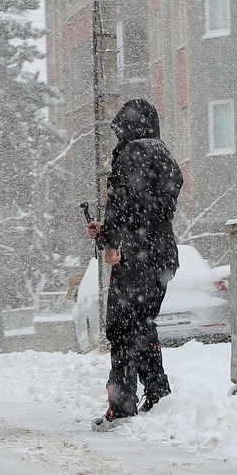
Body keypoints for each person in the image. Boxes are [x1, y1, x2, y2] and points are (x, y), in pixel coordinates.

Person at [85, 99, 184, 431]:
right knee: (141, 324)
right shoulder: (164, 154)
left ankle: (124, 404)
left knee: (123, 327)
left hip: (136, 255)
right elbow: (153, 206)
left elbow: (128, 203)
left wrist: (110, 237)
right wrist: (114, 233)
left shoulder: (132, 154)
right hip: (161, 255)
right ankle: (157, 394)